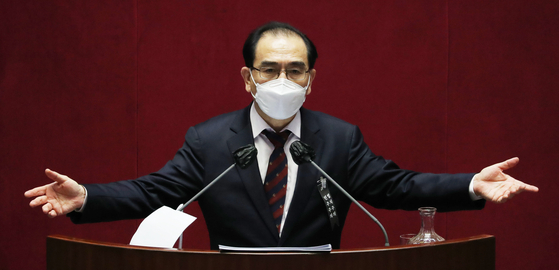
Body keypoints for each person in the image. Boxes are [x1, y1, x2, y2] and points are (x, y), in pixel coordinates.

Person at [25, 22, 538, 249]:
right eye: (269, 70)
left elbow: (395, 186)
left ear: (312, 79)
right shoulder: (208, 141)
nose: (282, 81)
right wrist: (85, 198)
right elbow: (154, 191)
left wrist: (472, 184)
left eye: (296, 70)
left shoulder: (338, 138)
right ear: (246, 78)